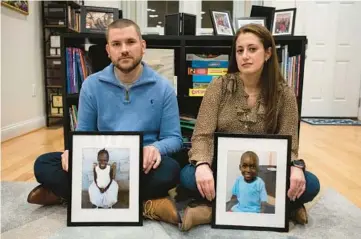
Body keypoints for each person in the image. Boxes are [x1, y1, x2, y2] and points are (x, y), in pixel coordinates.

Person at [27, 19, 183, 226]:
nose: (124, 50)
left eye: (130, 42)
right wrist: (73, 152)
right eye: (117, 44)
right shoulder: (92, 85)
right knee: (43, 164)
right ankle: (147, 203)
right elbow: (84, 132)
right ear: (108, 50)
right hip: (102, 159)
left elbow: (174, 138)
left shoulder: (163, 88)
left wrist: (155, 148)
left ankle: (66, 195)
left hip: (142, 165)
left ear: (143, 46)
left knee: (171, 170)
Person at [179, 24, 320, 231]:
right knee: (188, 177)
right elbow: (202, 135)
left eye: (252, 49)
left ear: (268, 53)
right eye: (240, 50)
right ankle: (287, 208)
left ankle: (209, 209)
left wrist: (296, 168)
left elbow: (290, 144)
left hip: (263, 173)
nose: (245, 56)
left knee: (310, 184)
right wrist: (202, 165)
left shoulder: (284, 94)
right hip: (221, 167)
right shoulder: (219, 86)